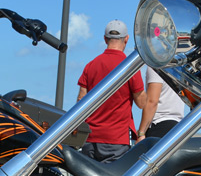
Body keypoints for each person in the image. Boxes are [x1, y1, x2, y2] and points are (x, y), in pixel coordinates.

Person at [77, 20, 145, 162]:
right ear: (126, 39)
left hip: (90, 137)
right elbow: (141, 103)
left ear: (105, 39)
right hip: (116, 139)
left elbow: (80, 101)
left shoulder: (91, 65)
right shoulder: (130, 67)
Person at [136, 68, 186, 142]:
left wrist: (141, 133)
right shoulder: (180, 67)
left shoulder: (156, 66)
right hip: (177, 126)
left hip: (158, 124)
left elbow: (152, 102)